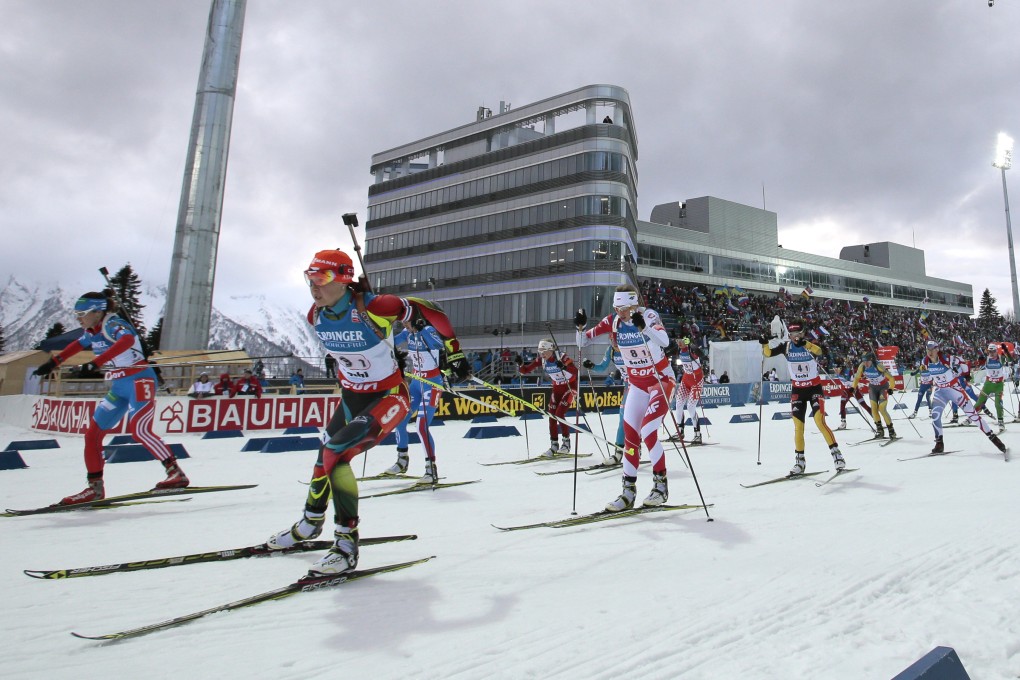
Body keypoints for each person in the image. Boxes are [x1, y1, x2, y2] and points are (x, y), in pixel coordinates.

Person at [266, 249, 469, 576]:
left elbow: (432, 310)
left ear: (343, 281)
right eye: (309, 278)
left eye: (321, 279)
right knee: (323, 460)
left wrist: (454, 353)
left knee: (336, 452)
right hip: (351, 399)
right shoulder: (314, 315)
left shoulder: (374, 307)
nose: (314, 287)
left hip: (388, 397)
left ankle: (346, 544)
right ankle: (309, 524)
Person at [31, 291, 189, 504]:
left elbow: (126, 340)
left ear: (97, 312)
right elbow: (78, 344)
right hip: (119, 386)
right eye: (76, 313)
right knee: (92, 435)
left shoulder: (113, 324)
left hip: (139, 381)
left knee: (140, 430)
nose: (79, 317)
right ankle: (94, 489)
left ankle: (175, 473)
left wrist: (96, 363)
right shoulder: (92, 329)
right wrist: (54, 362)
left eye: (82, 313)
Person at [576, 283, 675, 511]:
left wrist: (645, 330)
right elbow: (584, 341)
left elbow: (665, 342)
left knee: (649, 431)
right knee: (631, 438)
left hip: (660, 381)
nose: (620, 313)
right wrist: (580, 328)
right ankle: (628, 492)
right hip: (637, 385)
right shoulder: (612, 322)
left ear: (634, 305)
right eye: (617, 308)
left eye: (624, 309)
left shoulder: (649, 316)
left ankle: (661, 487)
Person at [759, 319, 845, 475]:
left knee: (820, 421)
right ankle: (800, 462)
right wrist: (764, 343)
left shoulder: (809, 345)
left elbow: (820, 351)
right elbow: (768, 353)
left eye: (797, 334)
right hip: (798, 389)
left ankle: (837, 456)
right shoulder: (786, 346)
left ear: (802, 333)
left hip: (814, 388)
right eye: (792, 334)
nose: (794, 337)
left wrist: (805, 344)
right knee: (798, 428)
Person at [385, 317, 447, 483]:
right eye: (403, 322)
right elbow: (390, 341)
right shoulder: (407, 333)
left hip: (432, 384)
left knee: (421, 425)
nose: (404, 325)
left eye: (407, 321)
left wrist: (421, 330)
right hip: (416, 383)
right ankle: (402, 460)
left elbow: (439, 345)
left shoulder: (427, 330)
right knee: (399, 420)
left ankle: (430, 469)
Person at [921, 339, 1005, 454]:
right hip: (940, 391)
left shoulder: (947, 359)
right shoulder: (925, 362)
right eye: (928, 349)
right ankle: (939, 444)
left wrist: (964, 374)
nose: (930, 352)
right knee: (935, 416)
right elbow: (931, 375)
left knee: (973, 416)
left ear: (937, 349)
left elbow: (964, 363)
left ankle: (994, 439)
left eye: (932, 349)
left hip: (954, 390)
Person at [516, 339, 579, 457]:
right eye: (540, 351)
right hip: (557, 388)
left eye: (544, 351)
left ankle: (566, 443)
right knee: (551, 416)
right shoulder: (542, 360)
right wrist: (520, 364)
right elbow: (524, 371)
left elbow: (576, 372)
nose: (541, 354)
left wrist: (564, 367)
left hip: (570, 387)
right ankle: (554, 444)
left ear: (551, 350)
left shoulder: (562, 357)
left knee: (559, 415)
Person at [582, 342, 627, 464]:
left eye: (616, 337)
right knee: (623, 418)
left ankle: (636, 444)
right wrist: (591, 366)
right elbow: (602, 367)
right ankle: (618, 453)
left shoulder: (630, 345)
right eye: (611, 338)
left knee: (639, 420)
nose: (614, 342)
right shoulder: (610, 350)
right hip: (629, 385)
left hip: (643, 384)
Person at [851, 353, 897, 439]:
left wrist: (891, 388)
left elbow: (891, 378)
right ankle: (879, 430)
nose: (865, 363)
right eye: (864, 361)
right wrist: (853, 387)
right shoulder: (862, 366)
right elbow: (857, 378)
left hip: (883, 387)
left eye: (867, 361)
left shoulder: (878, 365)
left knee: (882, 409)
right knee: (874, 409)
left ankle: (891, 430)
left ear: (871, 360)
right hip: (872, 388)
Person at [670, 337, 705, 444]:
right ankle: (680, 430)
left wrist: (693, 350)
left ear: (686, 342)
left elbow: (701, 355)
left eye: (681, 341)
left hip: (697, 381)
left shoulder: (691, 350)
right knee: (679, 404)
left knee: (690, 406)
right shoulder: (679, 350)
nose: (679, 343)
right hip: (686, 380)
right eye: (677, 341)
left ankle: (697, 433)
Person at [973, 343, 1011, 432]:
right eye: (990, 351)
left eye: (993, 351)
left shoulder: (1001, 357)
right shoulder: (986, 358)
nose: (992, 353)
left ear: (996, 351)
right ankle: (971, 417)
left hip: (999, 384)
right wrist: (979, 358)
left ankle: (1001, 421)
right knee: (979, 401)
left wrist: (1006, 351)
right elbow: (977, 363)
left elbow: (1011, 359)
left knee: (998, 403)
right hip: (988, 384)